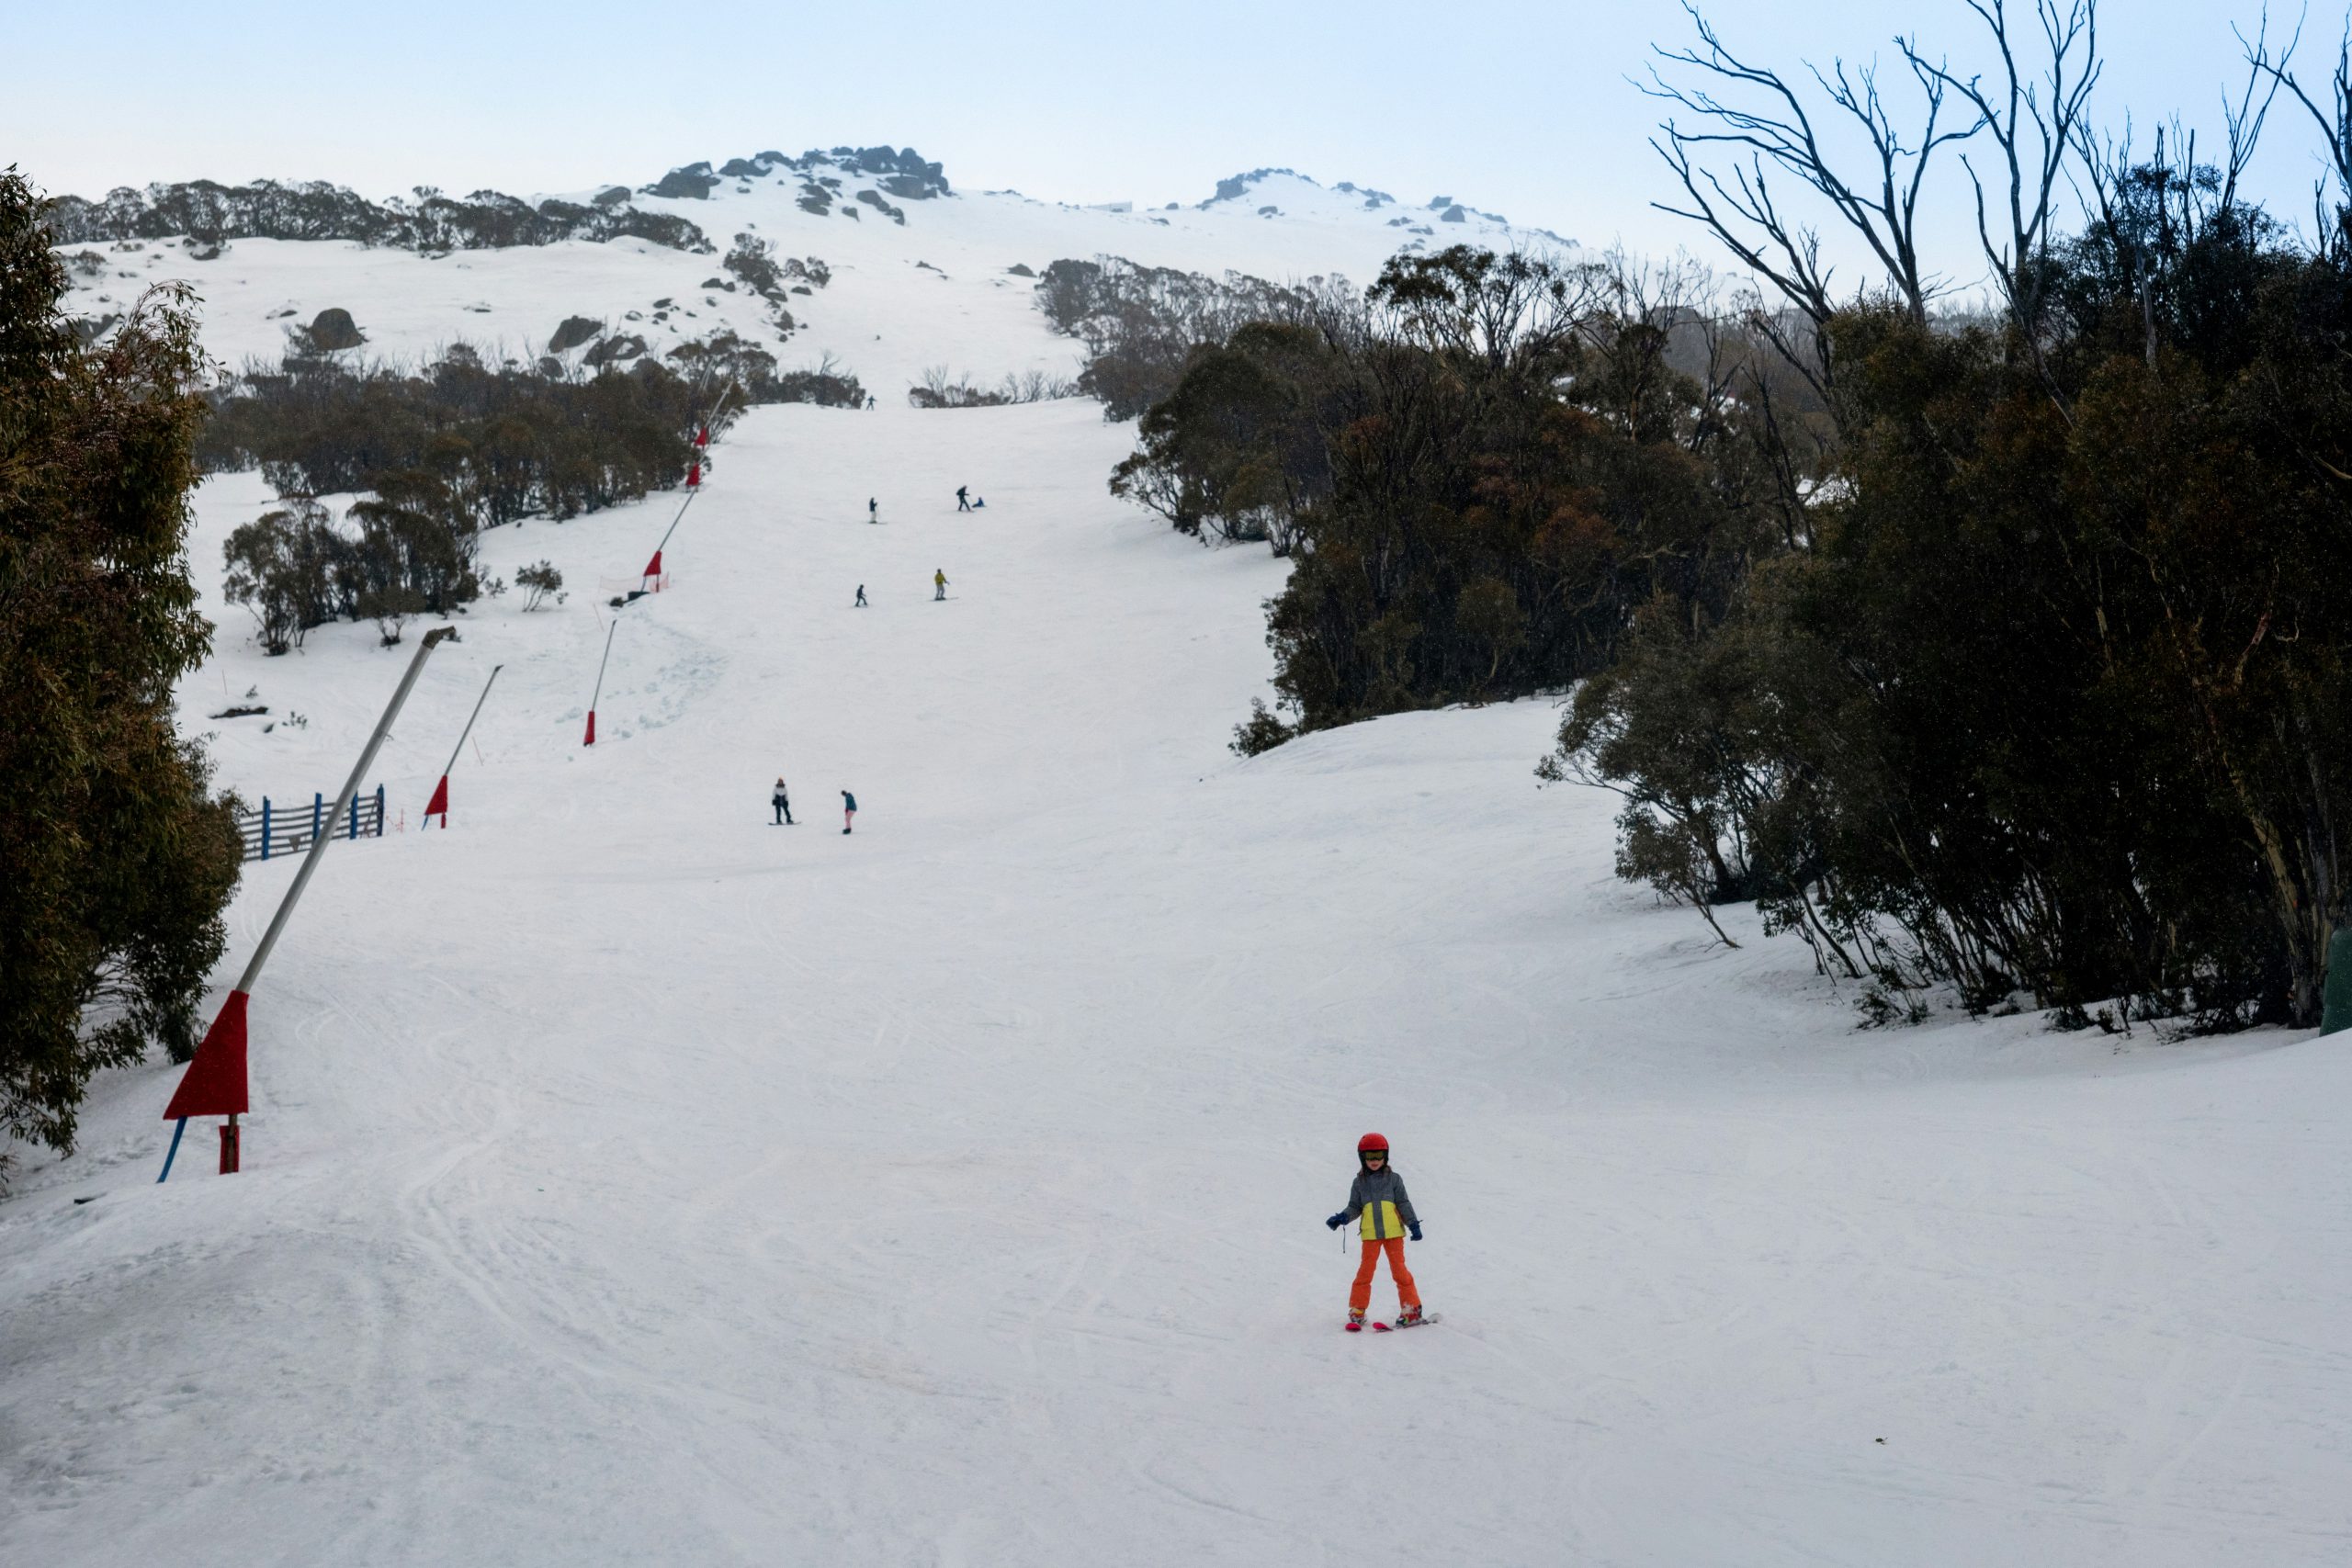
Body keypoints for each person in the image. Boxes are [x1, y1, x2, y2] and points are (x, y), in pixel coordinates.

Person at [1325, 1133, 1426, 1331]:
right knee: (1365, 1272)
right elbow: (1355, 1206)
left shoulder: (1394, 1180)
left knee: (1400, 1271)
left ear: (1385, 1156)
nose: (1374, 1160)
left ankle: (1411, 1309)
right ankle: (1357, 1311)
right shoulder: (1359, 1183)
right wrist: (1342, 1217)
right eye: (1370, 1156)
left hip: (1393, 1234)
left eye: (1379, 1155)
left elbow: (1403, 1203)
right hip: (1371, 1235)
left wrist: (1413, 1224)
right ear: (1362, 1158)